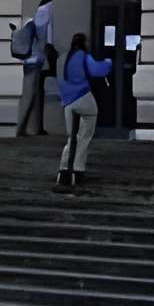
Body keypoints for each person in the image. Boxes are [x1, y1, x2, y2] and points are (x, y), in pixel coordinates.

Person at [56, 32, 109, 192]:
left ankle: (63, 171)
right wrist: (108, 62)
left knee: (71, 138)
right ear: (84, 43)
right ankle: (78, 171)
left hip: (67, 101)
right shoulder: (84, 57)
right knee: (85, 133)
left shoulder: (62, 58)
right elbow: (98, 70)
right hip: (82, 97)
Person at [11, 0, 56, 138]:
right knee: (30, 94)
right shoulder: (45, 11)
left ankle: (31, 128)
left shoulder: (39, 12)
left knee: (35, 94)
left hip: (33, 60)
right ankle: (20, 127)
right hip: (34, 60)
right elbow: (44, 37)